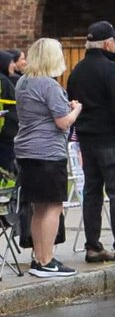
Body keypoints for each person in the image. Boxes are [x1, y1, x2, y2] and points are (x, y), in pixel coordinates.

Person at [66, 20, 115, 263]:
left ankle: (93, 246)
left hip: (87, 139)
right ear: (108, 43)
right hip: (112, 140)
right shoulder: (111, 70)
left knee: (92, 192)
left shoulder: (77, 71)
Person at [12, 38, 82, 277]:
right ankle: (47, 259)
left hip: (26, 151)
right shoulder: (49, 85)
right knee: (53, 206)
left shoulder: (23, 82)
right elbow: (62, 122)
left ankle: (38, 258)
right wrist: (75, 110)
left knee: (38, 207)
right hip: (48, 153)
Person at [0, 50, 18, 174]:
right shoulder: (3, 82)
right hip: (5, 135)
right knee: (7, 170)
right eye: (11, 62)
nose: (14, 65)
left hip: (7, 133)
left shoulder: (6, 80)